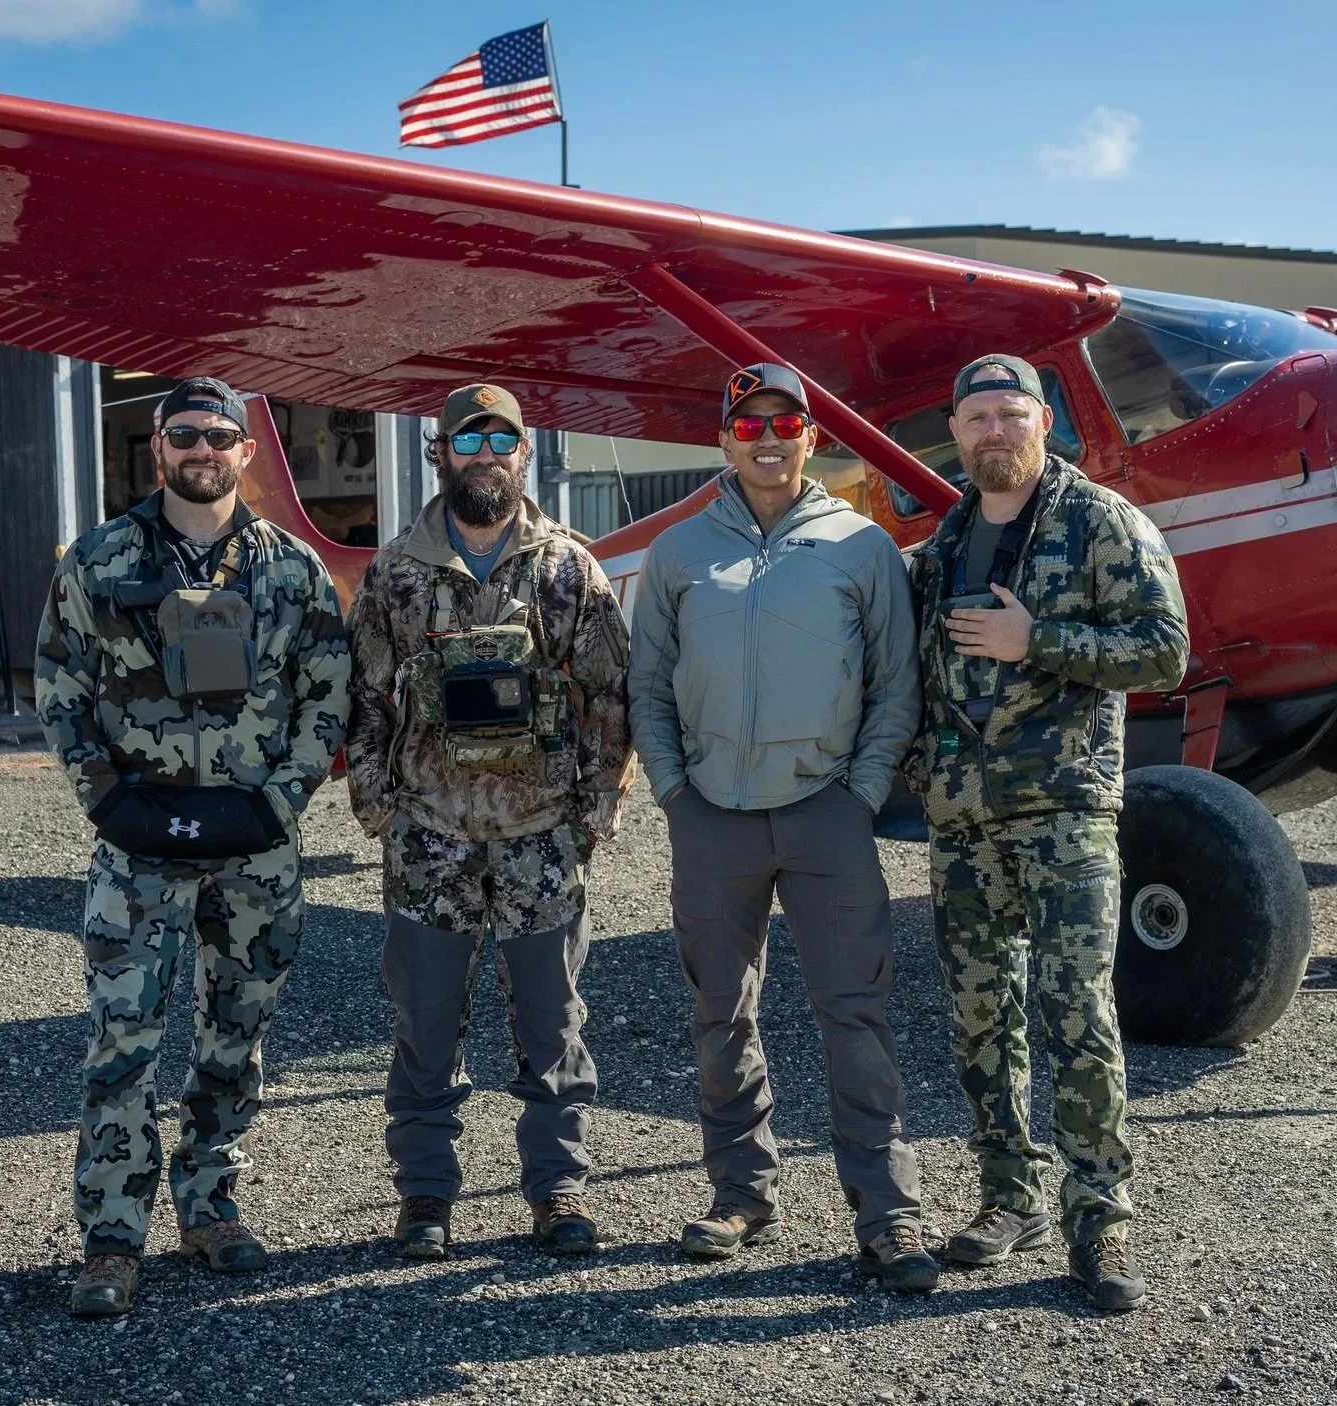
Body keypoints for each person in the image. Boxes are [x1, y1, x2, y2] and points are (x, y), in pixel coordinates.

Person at [34, 376, 351, 1319]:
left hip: (255, 847)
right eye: (184, 436)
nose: (202, 450)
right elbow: (59, 683)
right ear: (158, 446)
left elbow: (327, 691)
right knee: (123, 1042)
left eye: (219, 435)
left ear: (245, 450)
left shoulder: (291, 568)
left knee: (236, 1037)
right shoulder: (102, 560)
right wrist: (104, 798)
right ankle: (111, 1237)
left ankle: (210, 1203)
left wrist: (284, 798)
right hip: (140, 846)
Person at [626, 362, 938, 1293]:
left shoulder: (862, 548)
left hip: (826, 817)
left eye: (786, 423)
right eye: (749, 424)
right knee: (721, 1013)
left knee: (857, 1015)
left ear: (812, 438)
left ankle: (888, 1213)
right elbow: (647, 685)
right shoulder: (679, 554)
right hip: (713, 817)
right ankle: (741, 1192)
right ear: (725, 439)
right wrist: (677, 796)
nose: (768, 438)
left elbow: (895, 686)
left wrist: (862, 792)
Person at [903, 354, 1188, 1312]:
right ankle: (1007, 1196)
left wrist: (1044, 643)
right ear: (958, 430)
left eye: (1008, 413)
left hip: (1064, 809)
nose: (992, 431)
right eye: (975, 415)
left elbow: (1166, 650)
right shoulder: (942, 544)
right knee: (981, 1017)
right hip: (963, 819)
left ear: (1042, 421)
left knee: (1077, 1011)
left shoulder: (1101, 521)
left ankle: (1099, 1221)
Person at [344, 383, 633, 1260]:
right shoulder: (396, 572)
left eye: (501, 437)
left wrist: (591, 813)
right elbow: (361, 700)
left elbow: (610, 696)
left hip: (542, 839)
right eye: (467, 437)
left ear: (523, 454)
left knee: (552, 1029)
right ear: (440, 453)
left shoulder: (567, 571)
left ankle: (559, 1192)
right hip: (428, 838)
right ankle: (426, 1197)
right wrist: (378, 807)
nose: (485, 452)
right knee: (426, 1031)